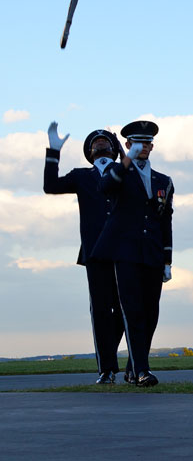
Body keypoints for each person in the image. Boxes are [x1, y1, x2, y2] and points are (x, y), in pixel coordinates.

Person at [92, 120, 173, 387]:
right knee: (132, 310)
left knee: (151, 313)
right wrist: (126, 160)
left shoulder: (164, 180)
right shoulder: (118, 171)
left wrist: (167, 259)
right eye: (138, 143)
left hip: (151, 253)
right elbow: (106, 187)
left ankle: (133, 367)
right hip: (125, 251)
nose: (144, 147)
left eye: (148, 143)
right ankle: (142, 370)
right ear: (127, 145)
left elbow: (165, 220)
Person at [43, 123, 124, 384]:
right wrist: (54, 151)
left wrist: (124, 153)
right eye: (95, 143)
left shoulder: (127, 172)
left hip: (124, 250)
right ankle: (107, 369)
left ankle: (129, 362)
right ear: (89, 152)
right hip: (95, 252)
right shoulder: (81, 176)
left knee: (126, 308)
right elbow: (50, 186)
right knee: (100, 309)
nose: (100, 144)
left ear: (113, 149)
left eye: (105, 142)